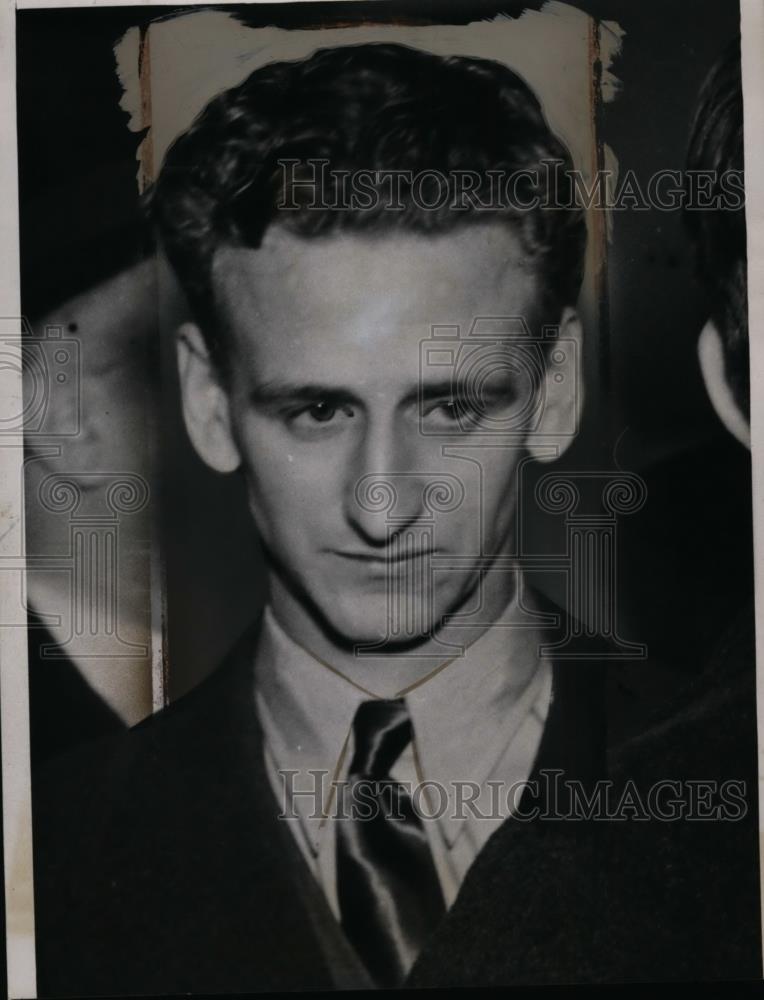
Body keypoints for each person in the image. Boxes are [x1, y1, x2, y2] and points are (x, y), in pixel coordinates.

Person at [32, 41, 760, 995]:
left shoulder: (737, 798)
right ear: (209, 404)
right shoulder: (52, 852)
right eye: (319, 410)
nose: (382, 505)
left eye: (451, 408)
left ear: (553, 393)